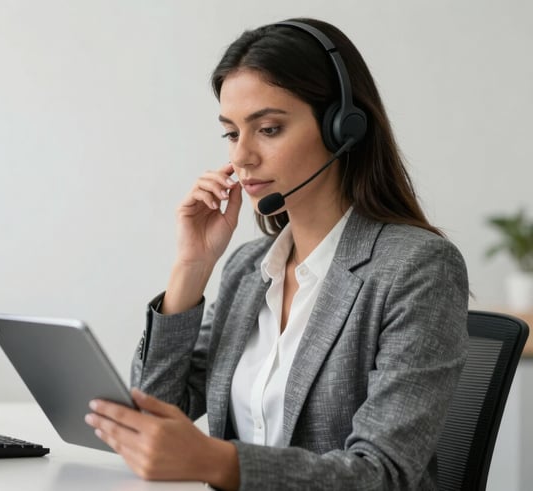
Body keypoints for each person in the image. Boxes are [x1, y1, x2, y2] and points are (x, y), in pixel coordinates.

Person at [84, 18, 468, 490]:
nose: (242, 156)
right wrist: (191, 267)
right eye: (231, 132)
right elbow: (156, 412)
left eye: (267, 128)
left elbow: (382, 475)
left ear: (342, 128)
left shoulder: (416, 269)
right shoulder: (249, 268)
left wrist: (219, 463)